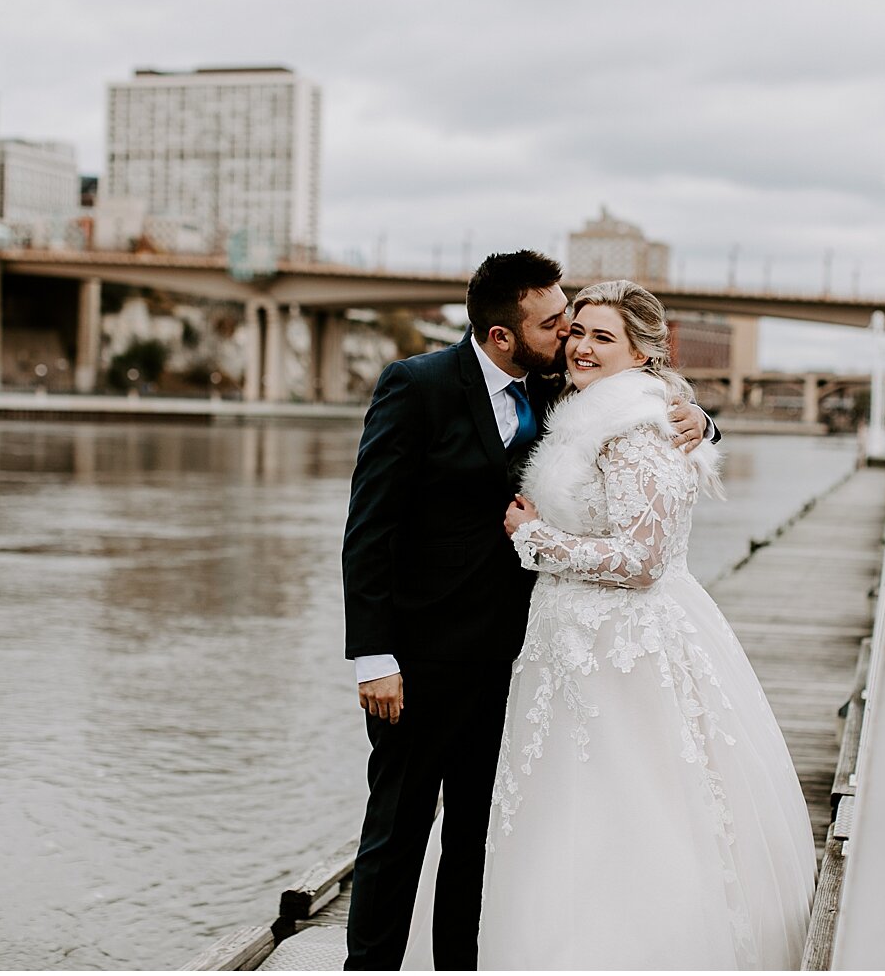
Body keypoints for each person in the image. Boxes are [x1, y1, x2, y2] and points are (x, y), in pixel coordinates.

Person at [400, 280, 815, 970]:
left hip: (619, 648)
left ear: (643, 352)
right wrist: (703, 420)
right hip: (564, 644)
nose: (582, 347)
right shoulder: (582, 408)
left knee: (627, 804)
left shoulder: (633, 428)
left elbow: (643, 557)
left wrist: (536, 539)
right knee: (553, 811)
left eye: (602, 336)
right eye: (577, 331)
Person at [341, 253, 715, 971]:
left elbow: (643, 408)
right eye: (555, 324)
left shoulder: (561, 389)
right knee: (397, 833)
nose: (571, 334)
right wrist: (375, 656)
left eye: (575, 321)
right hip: (420, 662)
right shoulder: (416, 387)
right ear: (504, 336)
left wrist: (702, 418)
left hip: (516, 662)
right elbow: (370, 528)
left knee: (482, 839)